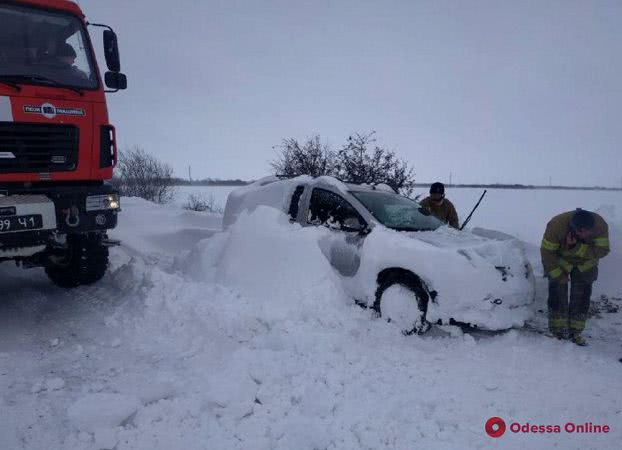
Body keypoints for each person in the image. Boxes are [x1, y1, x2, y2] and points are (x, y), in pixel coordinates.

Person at [541, 209, 610, 345]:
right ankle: (558, 330)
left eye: (587, 231)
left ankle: (575, 331)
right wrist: (557, 275)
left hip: (585, 264)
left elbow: (603, 250)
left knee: (581, 297)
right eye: (580, 231)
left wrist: (577, 248)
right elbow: (547, 252)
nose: (584, 234)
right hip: (560, 261)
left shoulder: (600, 225)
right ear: (572, 227)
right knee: (557, 294)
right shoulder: (556, 226)